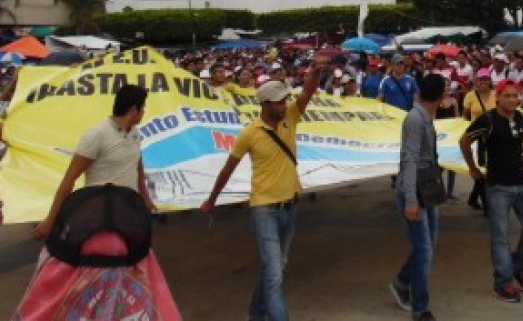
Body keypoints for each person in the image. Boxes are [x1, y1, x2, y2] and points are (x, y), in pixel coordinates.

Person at [21, 85, 180, 318]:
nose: (143, 113)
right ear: (134, 110)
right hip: (98, 218)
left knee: (132, 266)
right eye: (143, 108)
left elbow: (137, 165)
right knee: (95, 269)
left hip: (128, 214)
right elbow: (69, 179)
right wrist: (50, 220)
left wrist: (145, 198)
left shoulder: (135, 133)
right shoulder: (96, 134)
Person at [200, 59, 325, 321]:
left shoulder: (291, 116)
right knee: (275, 273)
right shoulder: (250, 134)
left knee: (275, 267)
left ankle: (256, 312)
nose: (283, 105)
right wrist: (211, 199)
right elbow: (228, 169)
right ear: (265, 105)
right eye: (278, 102)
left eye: (283, 100)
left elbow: (308, 91)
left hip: (290, 206)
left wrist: (316, 72)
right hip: (264, 209)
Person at [459, 79, 523, 303]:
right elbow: (464, 140)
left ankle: (517, 267)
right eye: (508, 96)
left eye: (516, 96)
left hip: (522, 183)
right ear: (498, 97)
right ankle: (502, 282)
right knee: (500, 237)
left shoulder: (522, 119)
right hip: (498, 187)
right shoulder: (488, 120)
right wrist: (473, 168)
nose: (513, 100)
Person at [390, 74, 448, 321]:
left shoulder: (426, 117)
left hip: (427, 187)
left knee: (427, 247)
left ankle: (402, 281)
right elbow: (410, 160)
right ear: (442, 95)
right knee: (424, 250)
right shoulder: (415, 119)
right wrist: (412, 201)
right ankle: (420, 308)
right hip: (414, 191)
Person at [462, 68, 496, 213]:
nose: (483, 82)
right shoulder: (470, 96)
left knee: (488, 169)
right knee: (481, 169)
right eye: (480, 79)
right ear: (476, 81)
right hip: (475, 138)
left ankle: (473, 198)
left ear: (490, 81)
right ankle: (487, 206)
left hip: (493, 137)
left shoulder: (496, 95)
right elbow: (465, 117)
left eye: (485, 79)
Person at [436, 82, 461, 200]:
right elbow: (434, 120)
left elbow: (457, 118)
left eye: (448, 86)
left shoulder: (454, 101)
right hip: (440, 136)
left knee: (452, 166)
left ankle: (450, 192)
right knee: (439, 166)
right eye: (444, 86)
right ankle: (440, 190)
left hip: (452, 135)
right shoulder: (436, 102)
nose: (446, 88)